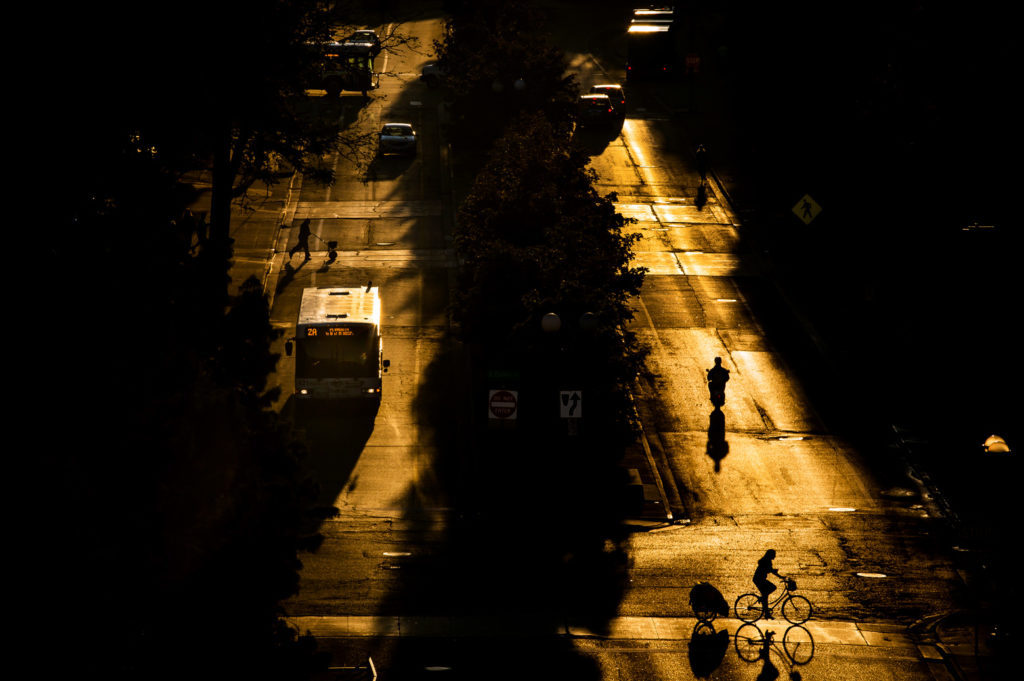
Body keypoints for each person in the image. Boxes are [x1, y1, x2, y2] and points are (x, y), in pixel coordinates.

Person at [754, 549, 782, 617]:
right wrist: (780, 576)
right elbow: (770, 570)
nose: (775, 556)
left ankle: (766, 613)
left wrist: (779, 576)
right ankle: (766, 611)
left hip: (760, 579)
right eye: (774, 555)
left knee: (765, 595)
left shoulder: (766, 560)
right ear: (771, 555)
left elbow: (769, 570)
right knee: (772, 588)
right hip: (759, 579)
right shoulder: (767, 561)